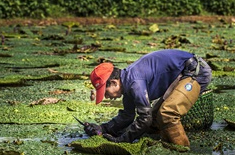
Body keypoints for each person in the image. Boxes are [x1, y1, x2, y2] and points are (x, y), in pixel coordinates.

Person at [84, 49, 212, 147]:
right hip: (179, 75)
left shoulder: (134, 83)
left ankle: (183, 152)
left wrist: (121, 141)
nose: (106, 96)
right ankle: (164, 145)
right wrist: (102, 129)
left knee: (167, 114)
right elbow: (127, 117)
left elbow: (145, 119)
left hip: (195, 71)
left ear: (114, 82)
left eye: (105, 92)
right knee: (155, 119)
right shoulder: (127, 84)